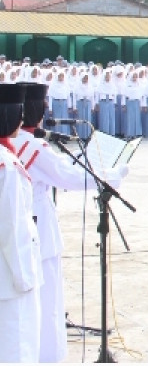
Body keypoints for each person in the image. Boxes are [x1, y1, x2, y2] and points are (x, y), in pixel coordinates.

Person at [14, 82, 128, 362]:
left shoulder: (16, 141)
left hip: (21, 227)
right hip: (38, 231)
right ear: (38, 112)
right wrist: (115, 174)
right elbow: (72, 178)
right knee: (47, 303)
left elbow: (59, 171)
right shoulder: (34, 146)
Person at [0, 83, 42, 362]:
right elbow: (12, 228)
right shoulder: (7, 165)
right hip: (10, 278)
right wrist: (25, 278)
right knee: (18, 346)